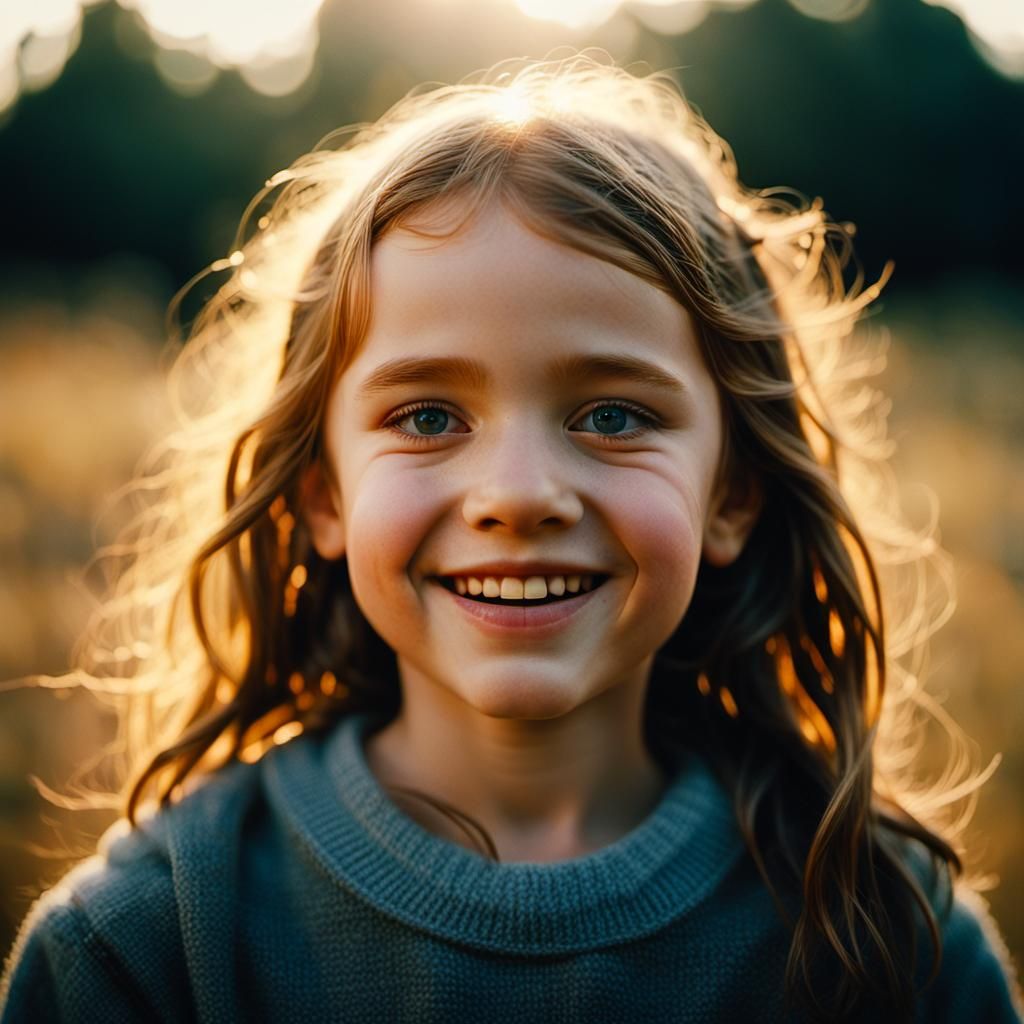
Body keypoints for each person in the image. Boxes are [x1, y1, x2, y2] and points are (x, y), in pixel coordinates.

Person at [0, 54, 1020, 1024]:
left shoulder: (892, 940)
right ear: (322, 494)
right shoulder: (146, 951)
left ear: (732, 494)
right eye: (429, 417)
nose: (520, 495)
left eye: (613, 416)